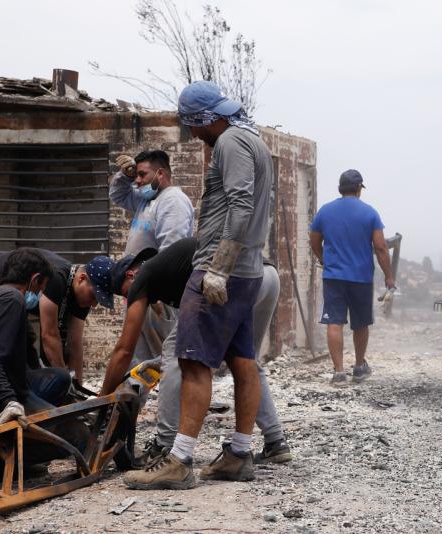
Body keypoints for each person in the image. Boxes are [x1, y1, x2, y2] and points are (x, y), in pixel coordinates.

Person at [119, 80, 272, 490]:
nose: (193, 133)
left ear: (204, 118)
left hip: (220, 269)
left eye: (192, 124)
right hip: (249, 269)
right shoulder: (253, 140)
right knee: (242, 361)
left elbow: (240, 203)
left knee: (191, 361)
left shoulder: (230, 142)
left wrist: (218, 267)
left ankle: (180, 460)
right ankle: (239, 454)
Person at [97, 238, 291, 478]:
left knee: (174, 353)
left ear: (130, 276)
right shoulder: (170, 270)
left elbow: (124, 350)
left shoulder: (144, 277)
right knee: (246, 362)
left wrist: (104, 397)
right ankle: (275, 442)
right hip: (264, 276)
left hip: (227, 278)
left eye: (125, 294)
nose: (130, 301)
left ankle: (164, 445)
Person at [0, 249, 88, 482]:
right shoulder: (11, 299)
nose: (41, 295)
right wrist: (9, 402)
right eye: (42, 287)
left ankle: (3, 456)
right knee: (80, 437)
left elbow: (27, 352)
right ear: (35, 280)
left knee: (58, 377)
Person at [0, 248, 115, 381]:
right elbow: (49, 335)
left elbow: (75, 344)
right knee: (3, 345)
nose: (94, 304)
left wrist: (78, 388)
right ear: (82, 279)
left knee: (27, 342)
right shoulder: (57, 278)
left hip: (10, 297)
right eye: (94, 296)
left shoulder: (83, 297)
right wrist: (65, 382)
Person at [110, 149, 195, 369]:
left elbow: (171, 251)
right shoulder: (147, 199)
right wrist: (125, 176)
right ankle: (136, 392)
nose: (137, 181)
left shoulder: (173, 201)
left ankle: (173, 391)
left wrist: (154, 290)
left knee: (164, 360)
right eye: (135, 175)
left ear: (160, 174)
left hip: (158, 296)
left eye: (142, 174)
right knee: (140, 359)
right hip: (143, 289)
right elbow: (118, 195)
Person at [309, 169, 395, 386]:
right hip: (361, 278)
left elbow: (314, 241)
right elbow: (381, 247)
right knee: (361, 323)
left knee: (334, 322)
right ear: (359, 188)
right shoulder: (370, 213)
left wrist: (324, 259)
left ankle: (339, 373)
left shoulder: (325, 211)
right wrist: (389, 276)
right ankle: (358, 367)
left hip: (333, 277)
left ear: (340, 188)